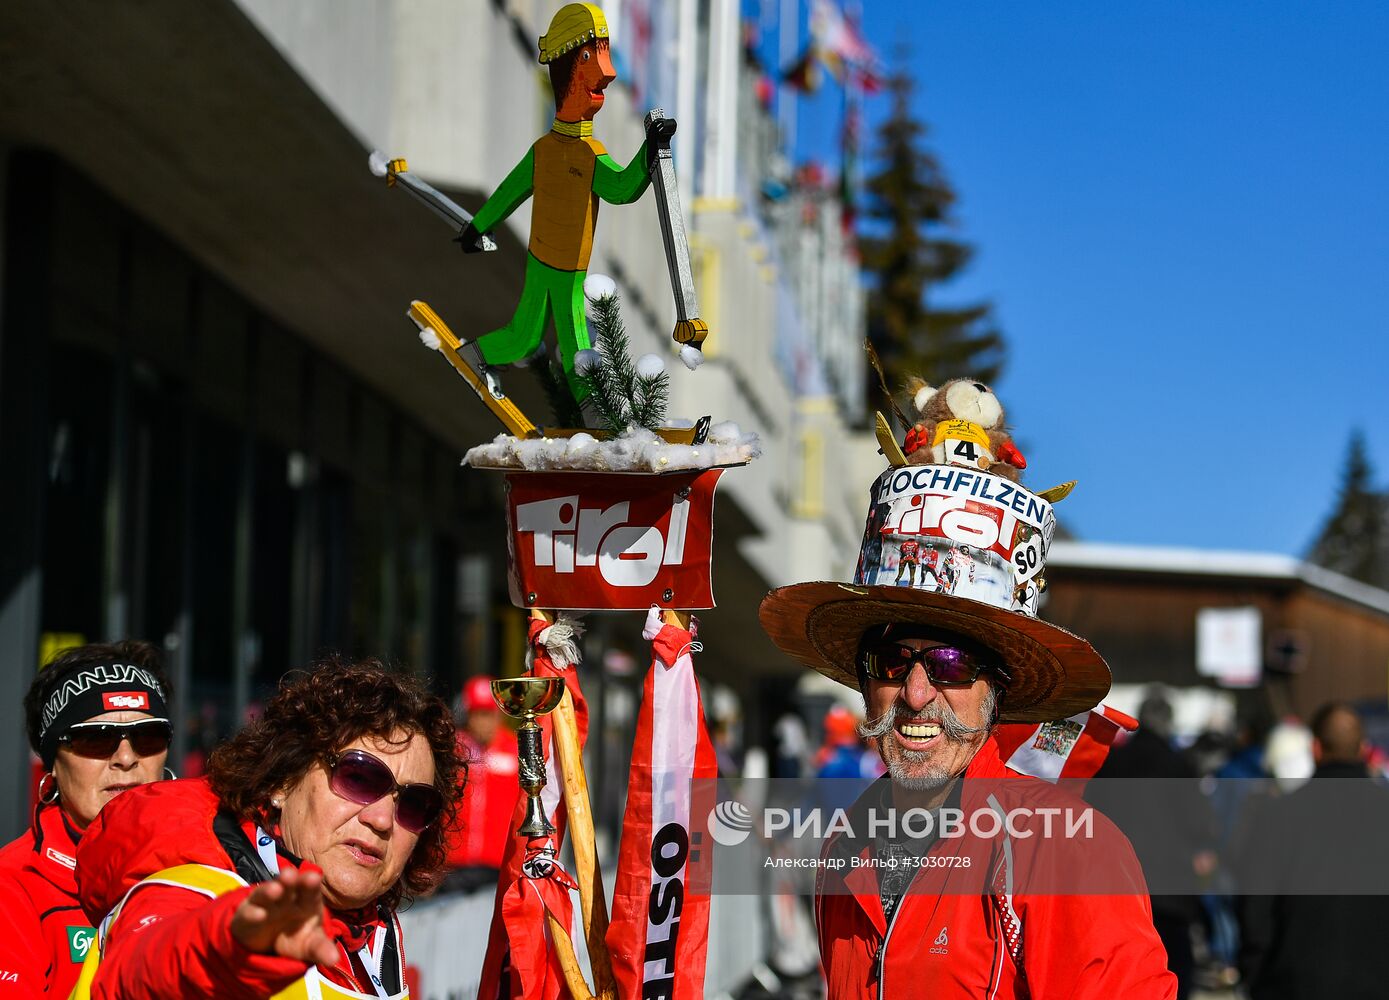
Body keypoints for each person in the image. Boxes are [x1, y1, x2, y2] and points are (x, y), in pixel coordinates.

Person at [759, 380, 1176, 998]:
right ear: (865, 681)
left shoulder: (1065, 853)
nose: (918, 693)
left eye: (952, 664)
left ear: (997, 691)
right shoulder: (844, 848)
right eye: (892, 661)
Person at [73, 659, 461, 999]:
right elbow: (138, 975)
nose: (380, 820)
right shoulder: (192, 888)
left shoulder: (373, 931)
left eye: (413, 804)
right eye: (359, 777)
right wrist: (232, 947)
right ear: (283, 781)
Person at [455, 2, 664, 399]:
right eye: (590, 55)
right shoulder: (545, 151)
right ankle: (474, 356)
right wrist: (478, 225)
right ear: (567, 66)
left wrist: (648, 151)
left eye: (604, 55)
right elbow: (508, 192)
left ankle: (591, 418)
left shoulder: (589, 153)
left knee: (574, 348)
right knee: (526, 337)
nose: (607, 71)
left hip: (569, 271)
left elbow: (622, 188)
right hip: (540, 258)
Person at [0, 640, 173, 998]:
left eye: (147, 736)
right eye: (95, 739)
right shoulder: (12, 887)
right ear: (54, 766)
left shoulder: (216, 860)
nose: (126, 757)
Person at [1236, 702, 1389, 1000]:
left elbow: (1256, 909)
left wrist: (1256, 974)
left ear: (1316, 749)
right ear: (1363, 749)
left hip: (1295, 982)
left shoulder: (1278, 816)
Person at [443, 675, 517, 893]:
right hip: (454, 866)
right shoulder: (452, 749)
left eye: (489, 714)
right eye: (478, 714)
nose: (484, 722)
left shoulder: (516, 750)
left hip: (499, 866)